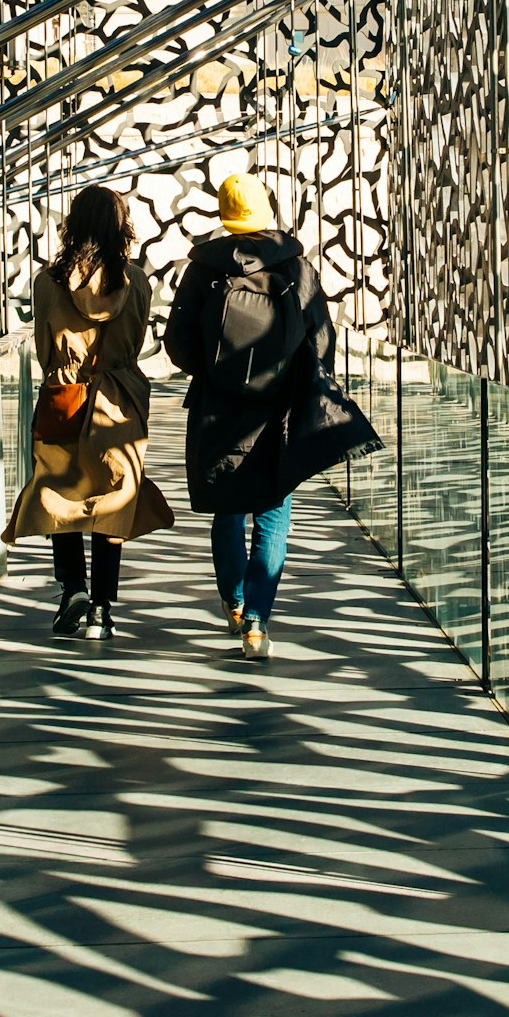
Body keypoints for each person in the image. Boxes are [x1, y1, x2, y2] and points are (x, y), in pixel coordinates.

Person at [165, 167, 332, 662]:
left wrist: (217, 374)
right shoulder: (297, 269)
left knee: (229, 508)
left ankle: (235, 603)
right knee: (274, 512)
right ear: (266, 211)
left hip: (219, 411)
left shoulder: (203, 269)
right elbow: (321, 338)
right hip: (277, 411)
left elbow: (177, 345)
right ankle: (257, 623)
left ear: (224, 214)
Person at [1, 183, 173, 639]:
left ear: (73, 226)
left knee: (61, 494)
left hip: (65, 398)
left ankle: (72, 588)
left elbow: (43, 349)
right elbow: (135, 343)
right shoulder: (137, 282)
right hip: (119, 402)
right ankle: (102, 607)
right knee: (113, 498)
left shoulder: (47, 283)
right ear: (121, 226)